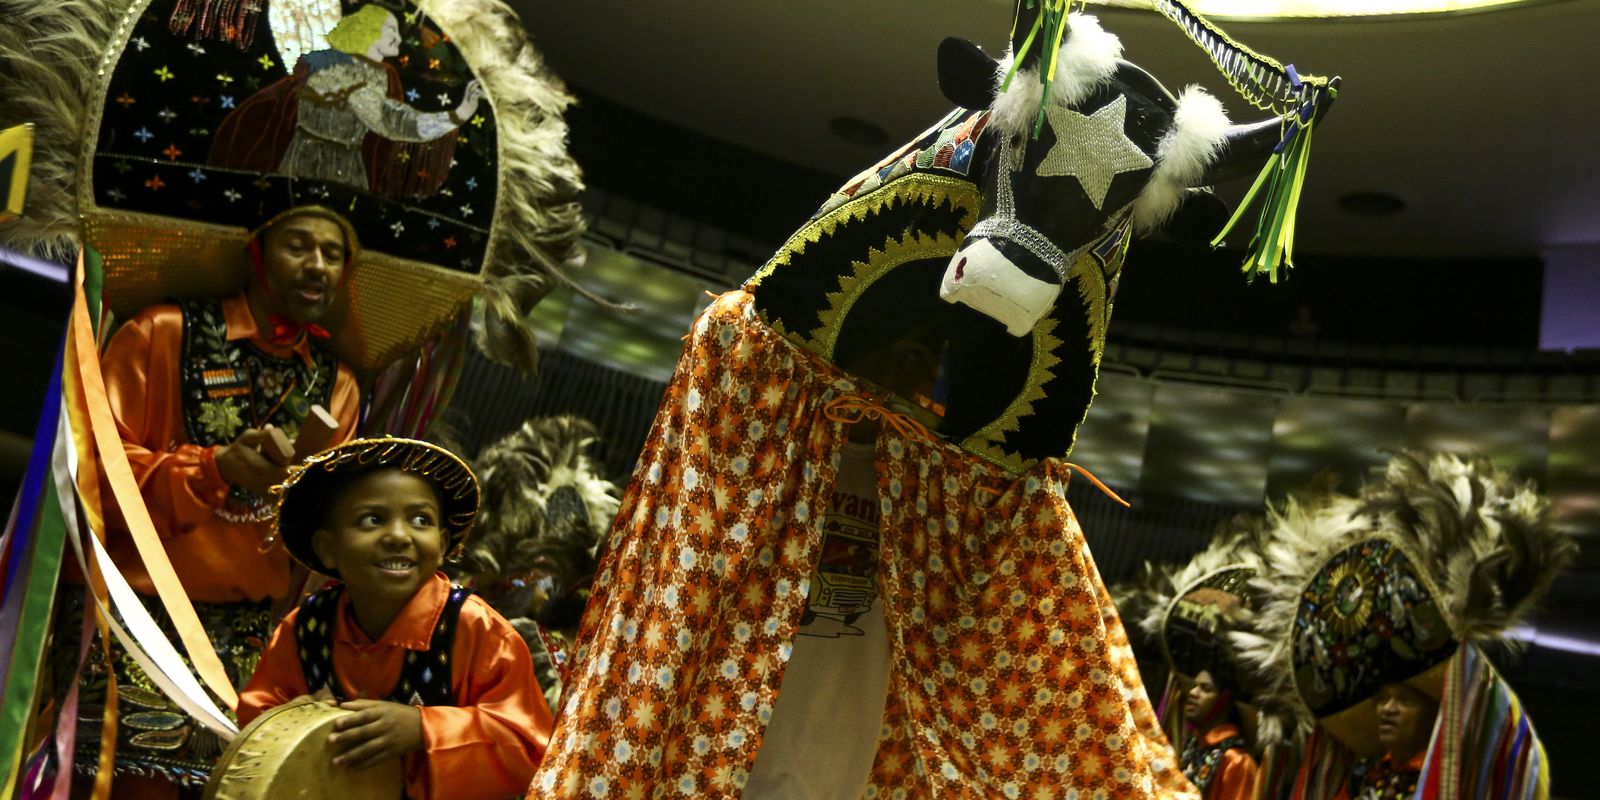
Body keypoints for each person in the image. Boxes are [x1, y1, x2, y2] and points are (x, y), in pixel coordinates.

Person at [59, 207, 362, 798]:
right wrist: (212, 467)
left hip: (245, 636)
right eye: (299, 245)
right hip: (132, 613)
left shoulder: (339, 384)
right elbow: (92, 472)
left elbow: (319, 541)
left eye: (333, 254)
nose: (318, 266)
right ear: (255, 252)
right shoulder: (163, 331)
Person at [238, 437, 552, 800]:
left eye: (421, 520)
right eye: (372, 520)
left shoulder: (478, 631)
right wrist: (299, 719)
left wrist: (424, 729)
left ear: (443, 543)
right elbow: (257, 721)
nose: (399, 536)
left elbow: (530, 748)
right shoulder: (306, 627)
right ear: (328, 548)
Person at [1336, 683, 1438, 800]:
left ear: (1432, 715)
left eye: (1404, 700)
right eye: (1383, 699)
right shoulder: (1362, 774)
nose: (1387, 708)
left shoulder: (1446, 776)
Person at [1179, 668, 1259, 800]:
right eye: (1194, 686)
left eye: (1206, 689)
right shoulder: (1194, 745)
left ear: (1224, 701)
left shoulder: (1238, 762)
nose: (1193, 692)